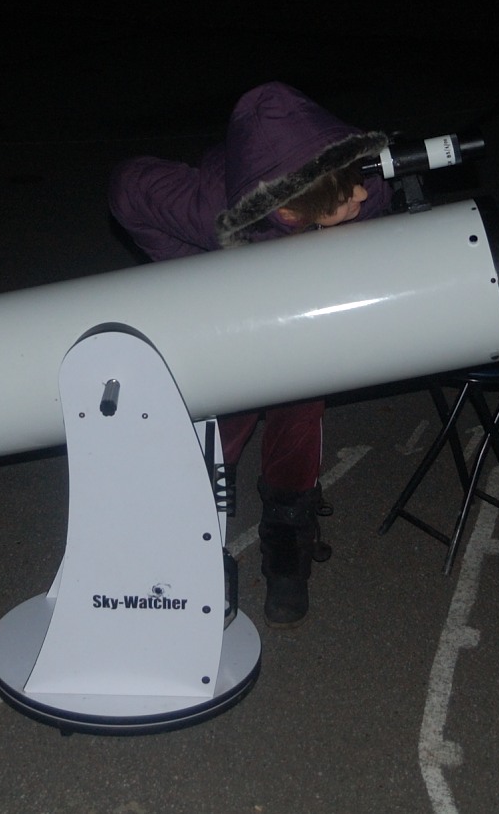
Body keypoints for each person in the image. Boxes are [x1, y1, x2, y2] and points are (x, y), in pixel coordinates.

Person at [107, 81, 388, 626]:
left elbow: (374, 203)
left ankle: (287, 549)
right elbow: (128, 187)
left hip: (299, 324)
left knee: (298, 421)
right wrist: (188, 267)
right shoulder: (211, 209)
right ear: (293, 212)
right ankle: (188, 548)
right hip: (231, 325)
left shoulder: (353, 187)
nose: (362, 194)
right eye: (348, 195)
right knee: (217, 437)